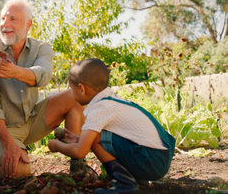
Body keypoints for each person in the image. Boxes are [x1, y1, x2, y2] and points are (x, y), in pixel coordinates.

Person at [0, 0, 86, 179]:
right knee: (20, 173)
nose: (5, 24)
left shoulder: (41, 48)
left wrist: (14, 72)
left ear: (28, 25)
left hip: (30, 119)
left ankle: (78, 167)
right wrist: (9, 144)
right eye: (2, 18)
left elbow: (44, 75)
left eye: (13, 19)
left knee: (74, 97)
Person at [48, 58, 176, 193]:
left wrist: (57, 146)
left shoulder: (99, 109)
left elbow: (81, 151)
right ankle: (135, 179)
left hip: (152, 161)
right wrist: (77, 139)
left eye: (72, 90)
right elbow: (89, 143)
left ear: (81, 89)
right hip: (158, 157)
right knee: (97, 136)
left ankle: (125, 183)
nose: (71, 94)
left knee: (97, 136)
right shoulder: (110, 99)